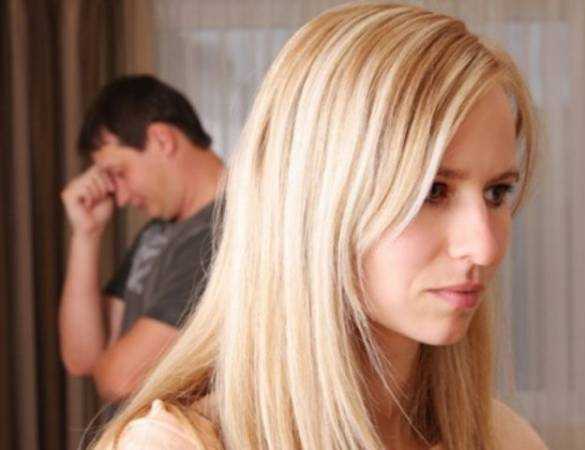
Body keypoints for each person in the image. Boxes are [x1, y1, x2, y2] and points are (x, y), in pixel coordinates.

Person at [92, 3, 548, 449]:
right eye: (431, 191)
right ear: (318, 201)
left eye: (497, 193)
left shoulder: (505, 439)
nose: (484, 247)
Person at [59, 75, 224, 404]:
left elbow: (120, 378)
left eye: (119, 173)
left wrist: (112, 360)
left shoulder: (225, 229)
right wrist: (86, 235)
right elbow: (81, 358)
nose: (119, 198)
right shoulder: (158, 230)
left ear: (162, 140)